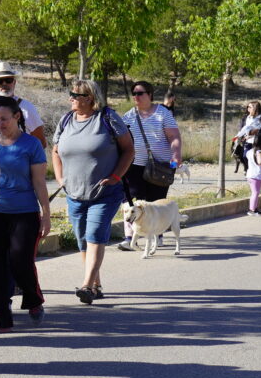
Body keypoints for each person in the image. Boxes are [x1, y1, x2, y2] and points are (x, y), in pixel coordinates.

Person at [52, 79, 133, 305]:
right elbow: (56, 151)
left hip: (105, 192)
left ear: (89, 98)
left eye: (74, 94)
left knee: (95, 235)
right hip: (74, 192)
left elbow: (129, 150)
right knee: (82, 239)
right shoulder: (66, 119)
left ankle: (87, 285)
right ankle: (96, 284)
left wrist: (116, 176)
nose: (70, 98)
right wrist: (60, 178)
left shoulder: (108, 118)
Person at [0, 97, 50, 334]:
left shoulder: (31, 145)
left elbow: (39, 183)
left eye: (3, 119)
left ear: (17, 117)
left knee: (20, 260)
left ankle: (33, 299)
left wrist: (46, 215)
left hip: (25, 212)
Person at [117, 81, 181, 249]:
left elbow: (174, 137)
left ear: (150, 94)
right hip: (134, 165)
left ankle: (157, 235)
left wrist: (176, 155)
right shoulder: (128, 116)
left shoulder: (163, 113)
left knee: (154, 202)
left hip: (159, 166)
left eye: (140, 93)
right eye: (134, 93)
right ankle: (130, 237)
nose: (136, 96)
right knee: (132, 200)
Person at [0, 61, 47, 148]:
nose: (4, 84)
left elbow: (40, 143)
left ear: (14, 82)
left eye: (8, 80)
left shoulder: (27, 108)